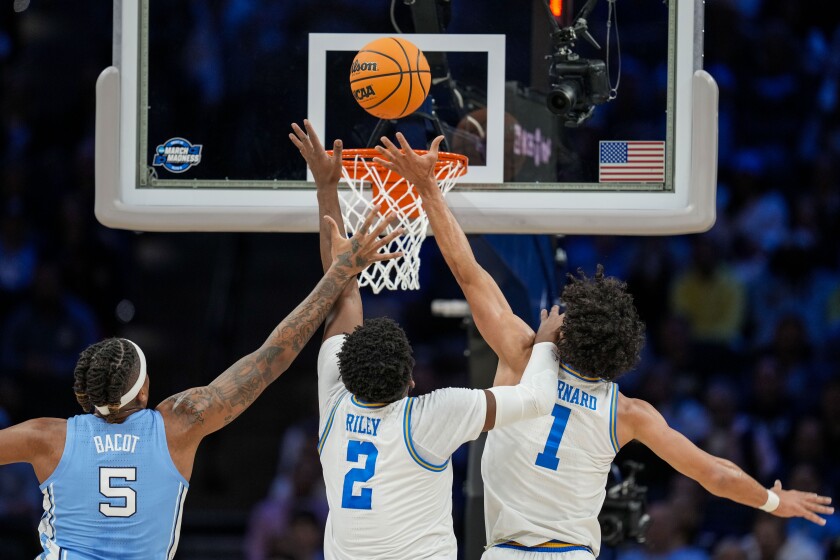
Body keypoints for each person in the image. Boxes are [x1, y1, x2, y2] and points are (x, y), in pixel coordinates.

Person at [373, 132, 834, 559]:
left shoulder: (521, 351)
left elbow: (468, 272)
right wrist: (775, 500)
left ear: (567, 331)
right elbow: (715, 474)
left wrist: (428, 189)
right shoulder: (629, 412)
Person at [0, 209, 403, 560]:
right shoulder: (181, 422)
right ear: (143, 391)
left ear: (82, 396)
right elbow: (274, 355)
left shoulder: (45, 437)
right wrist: (339, 273)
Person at [289, 119, 563, 560]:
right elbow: (535, 402)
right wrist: (546, 343)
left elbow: (340, 291)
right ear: (411, 381)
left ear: (346, 369)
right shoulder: (431, 417)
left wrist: (327, 186)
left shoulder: (336, 402)